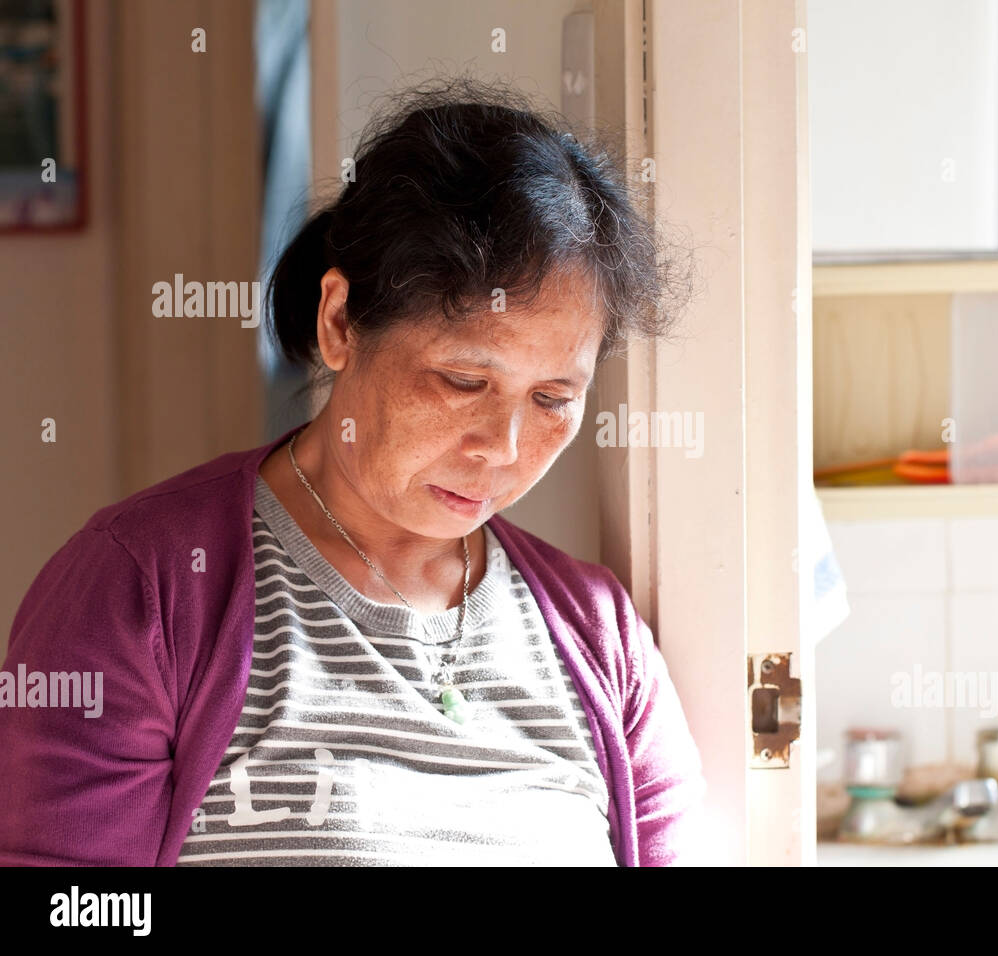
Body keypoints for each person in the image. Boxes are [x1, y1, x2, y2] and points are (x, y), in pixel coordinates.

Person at [0, 77, 705, 866]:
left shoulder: (598, 635)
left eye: (551, 398)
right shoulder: (142, 588)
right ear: (340, 323)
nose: (502, 446)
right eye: (463, 381)